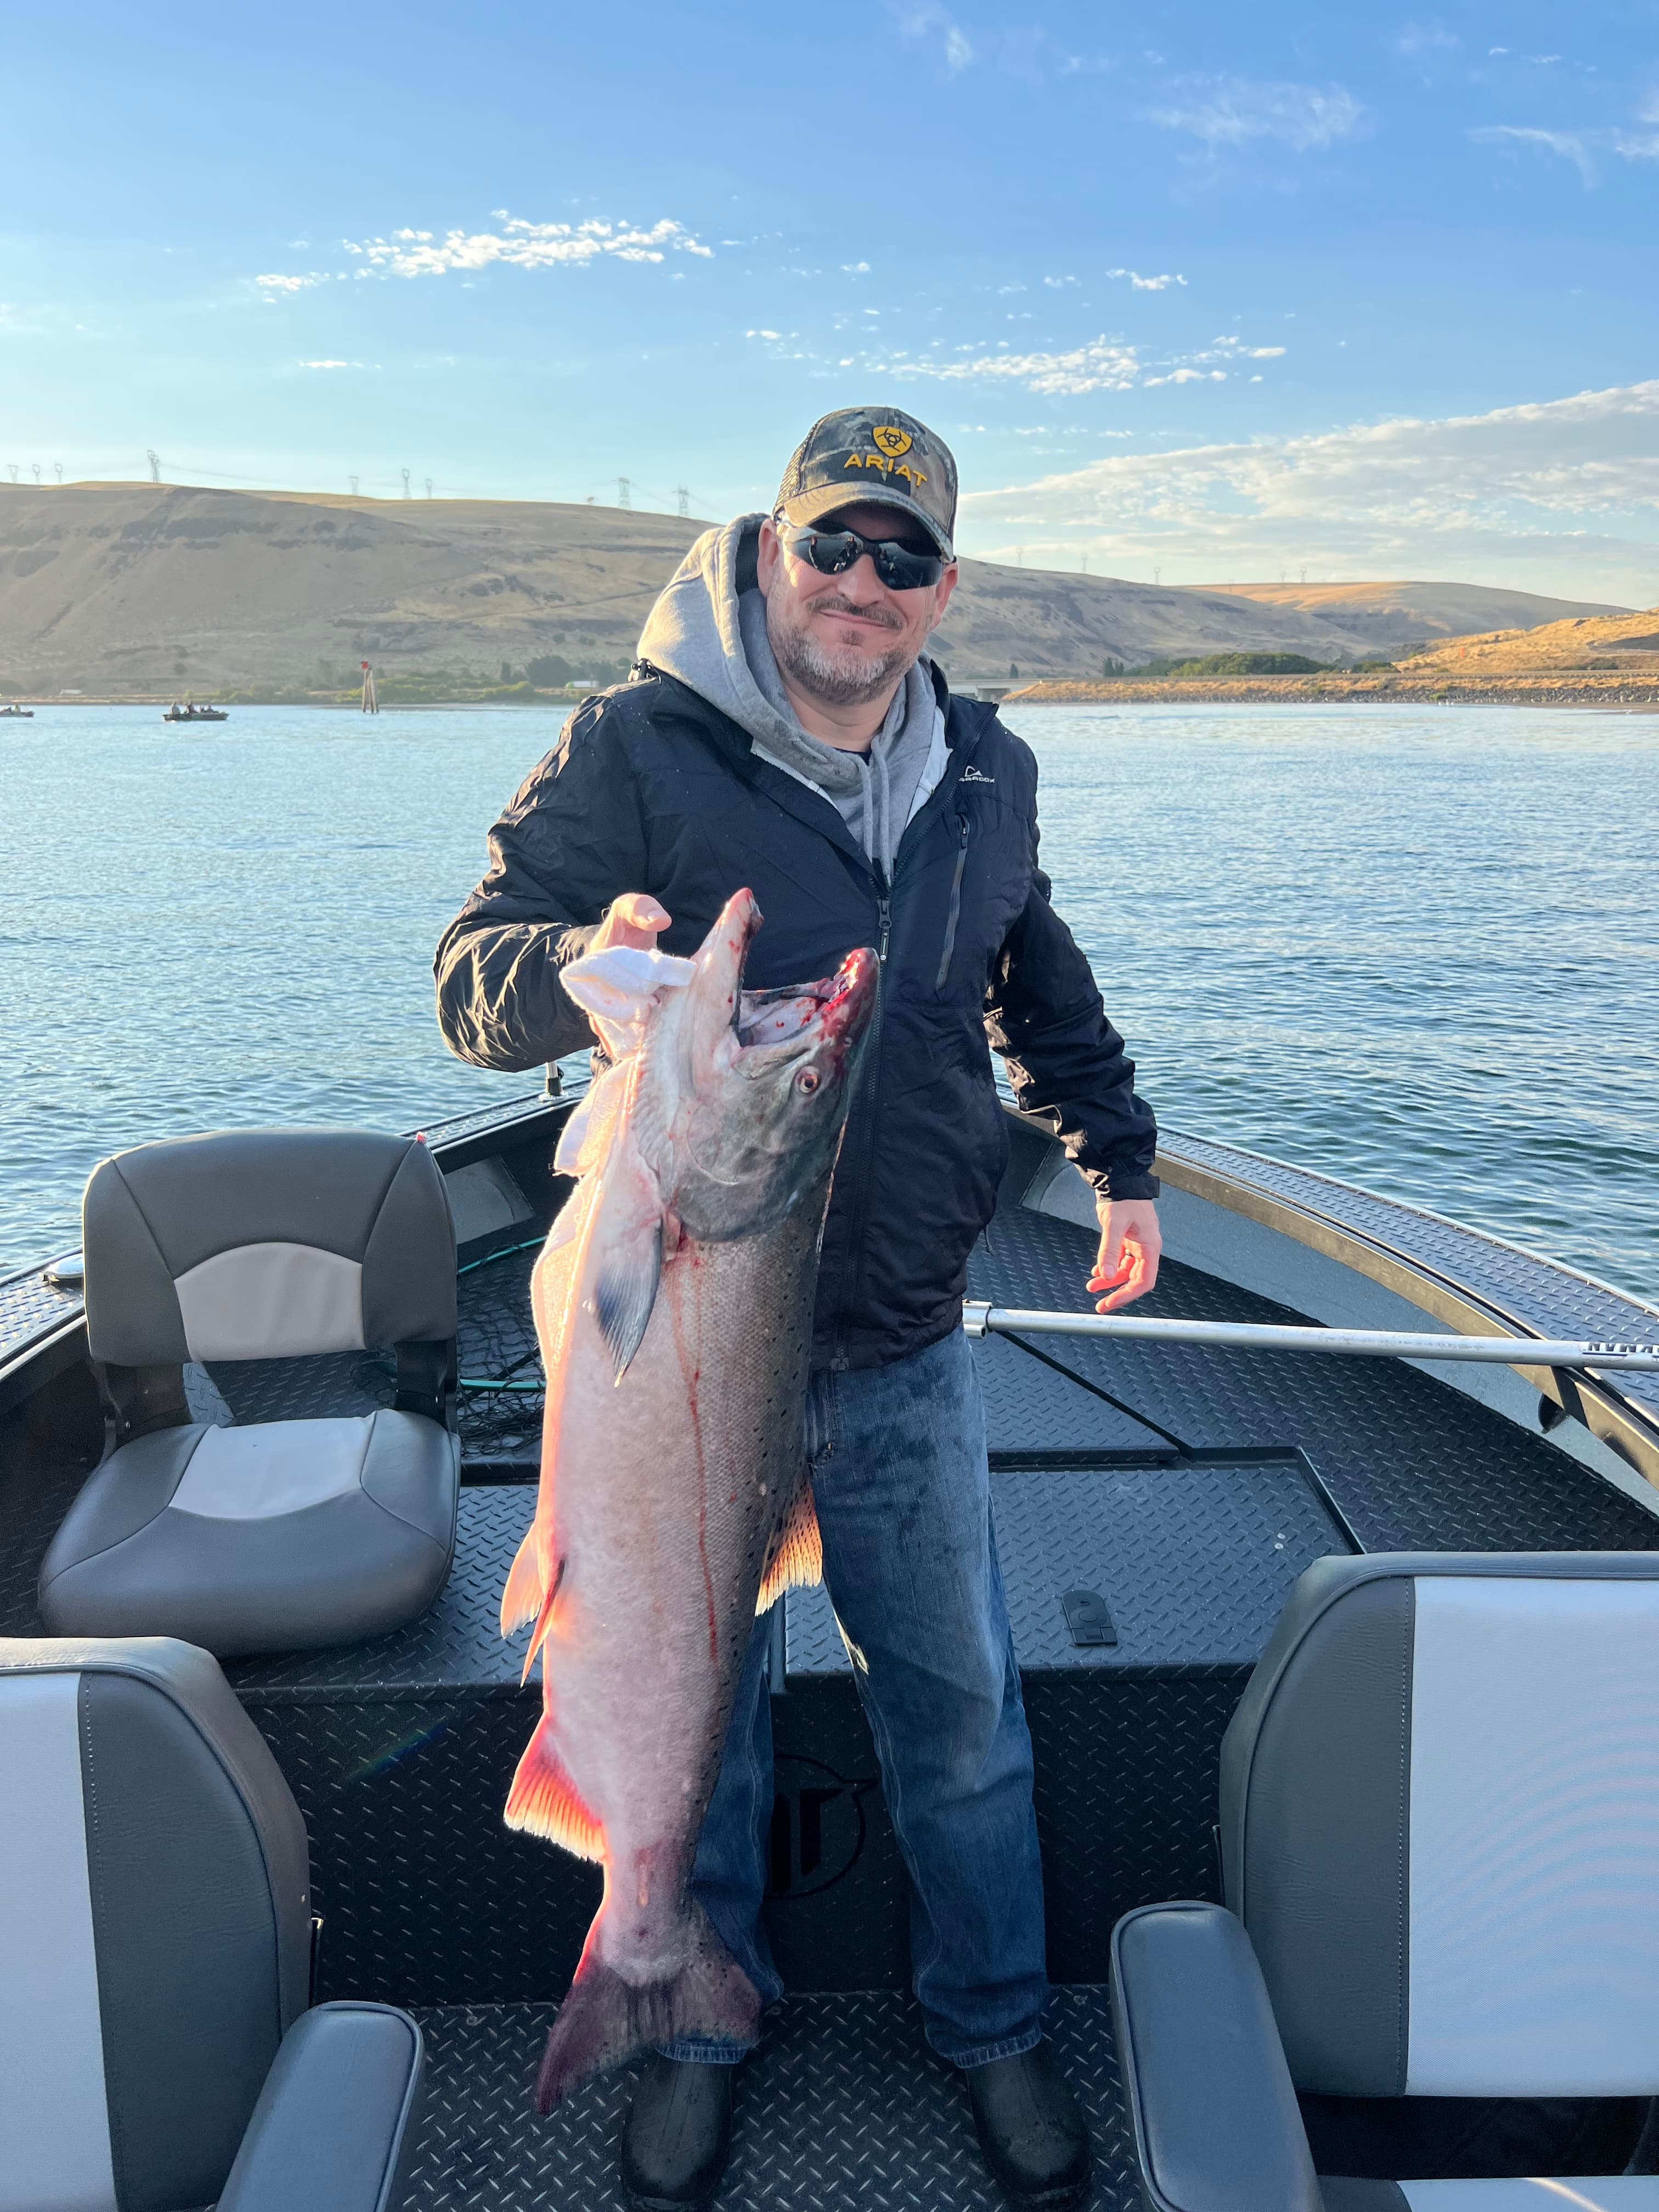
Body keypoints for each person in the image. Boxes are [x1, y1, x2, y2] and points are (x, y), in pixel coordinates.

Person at [435, 405, 1161, 2210]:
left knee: (964, 1720)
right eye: (834, 543)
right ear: (768, 551)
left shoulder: (986, 770)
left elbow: (1033, 970)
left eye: (904, 558)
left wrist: (1119, 1151)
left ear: (942, 590)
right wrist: (589, 971)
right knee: (705, 1707)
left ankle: (993, 2028)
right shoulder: (636, 743)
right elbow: (471, 981)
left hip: (906, 1337)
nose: (863, 583)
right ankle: (684, 2013)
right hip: (684, 1330)